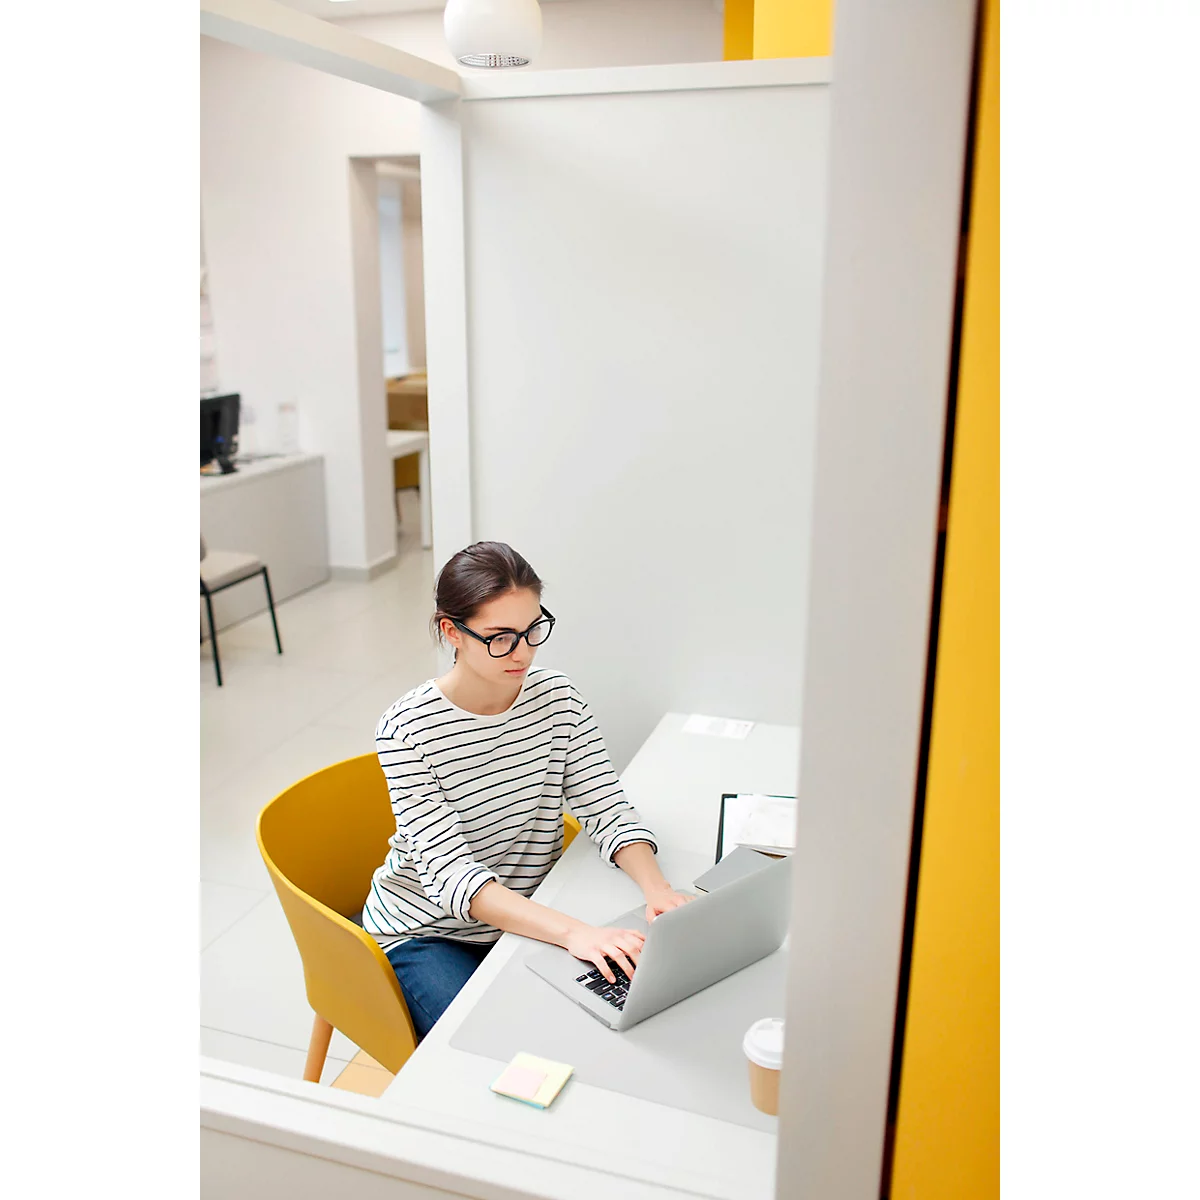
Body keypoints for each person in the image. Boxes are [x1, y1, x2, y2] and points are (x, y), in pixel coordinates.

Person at [361, 540, 693, 1041]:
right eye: (500, 638)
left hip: (528, 912)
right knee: (493, 1047)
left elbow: (606, 807)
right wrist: (575, 932)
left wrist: (657, 890)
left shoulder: (558, 698)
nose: (523, 653)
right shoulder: (408, 729)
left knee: (613, 1026)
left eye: (532, 630)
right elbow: (455, 879)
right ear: (452, 631)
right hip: (428, 933)